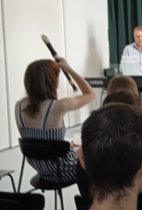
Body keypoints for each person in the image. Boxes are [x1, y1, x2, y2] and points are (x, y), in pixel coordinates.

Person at [15, 58, 95, 186]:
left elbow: (37, 142)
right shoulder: (58, 106)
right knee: (100, 156)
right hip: (63, 169)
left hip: (42, 170)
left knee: (79, 148)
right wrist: (68, 69)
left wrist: (63, 146)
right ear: (52, 81)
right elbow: (90, 94)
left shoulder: (19, 106)